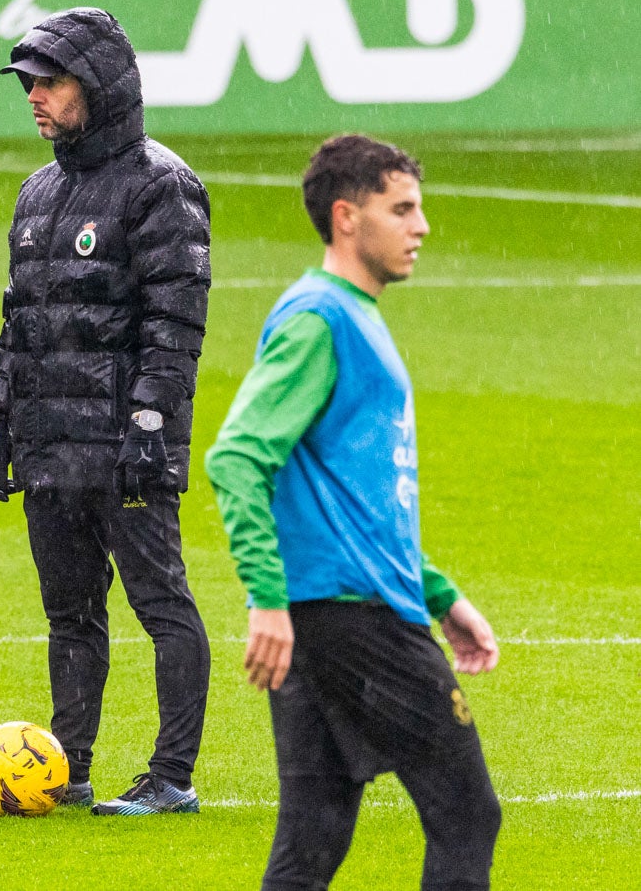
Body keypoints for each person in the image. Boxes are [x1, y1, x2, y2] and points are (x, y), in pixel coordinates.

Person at [205, 134, 502, 888]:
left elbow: (359, 498)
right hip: (354, 622)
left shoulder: (351, 316)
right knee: (467, 814)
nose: (420, 226)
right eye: (400, 209)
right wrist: (265, 602)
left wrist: (439, 593)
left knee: (313, 837)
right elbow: (236, 456)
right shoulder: (320, 321)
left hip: (332, 614)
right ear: (346, 216)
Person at [0, 8, 213, 816]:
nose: (35, 99)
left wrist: (150, 422)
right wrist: (1, 420)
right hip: (51, 447)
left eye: (50, 83)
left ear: (99, 86)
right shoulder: (37, 190)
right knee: (69, 616)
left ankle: (171, 776)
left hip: (124, 448)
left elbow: (174, 323)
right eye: (29, 86)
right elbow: (21, 320)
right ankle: (65, 769)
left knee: (161, 606)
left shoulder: (161, 185)